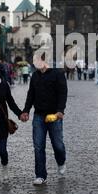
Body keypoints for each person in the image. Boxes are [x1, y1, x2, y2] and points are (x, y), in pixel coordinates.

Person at [19, 53, 68, 185]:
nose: (35, 62)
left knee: (58, 145)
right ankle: (41, 175)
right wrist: (26, 111)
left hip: (54, 116)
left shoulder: (57, 73)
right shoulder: (35, 76)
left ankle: (61, 161)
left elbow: (63, 93)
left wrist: (60, 110)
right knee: (38, 146)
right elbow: (31, 95)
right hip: (39, 116)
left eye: (37, 60)